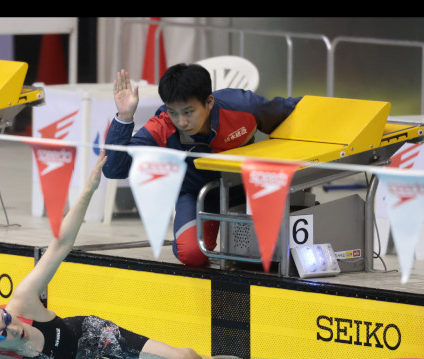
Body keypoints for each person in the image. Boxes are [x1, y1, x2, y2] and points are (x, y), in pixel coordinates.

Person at [0, 153, 233, 359]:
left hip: (92, 337)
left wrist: (88, 191)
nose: (15, 328)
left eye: (6, 318)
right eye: (1, 333)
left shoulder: (24, 301)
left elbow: (60, 245)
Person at [105, 63, 301, 266]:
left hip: (247, 189)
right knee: (191, 254)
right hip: (198, 194)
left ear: (209, 102)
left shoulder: (244, 106)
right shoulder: (162, 126)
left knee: (272, 256)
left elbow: (290, 110)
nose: (181, 121)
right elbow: (114, 169)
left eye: (188, 112)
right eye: (173, 112)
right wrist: (125, 117)